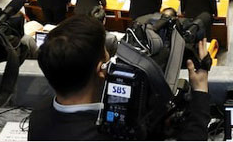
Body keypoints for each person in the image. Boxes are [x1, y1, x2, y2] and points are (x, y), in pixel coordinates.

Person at [30, 13, 210, 140]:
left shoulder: (39, 115)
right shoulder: (114, 133)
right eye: (107, 54)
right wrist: (200, 92)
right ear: (102, 69)